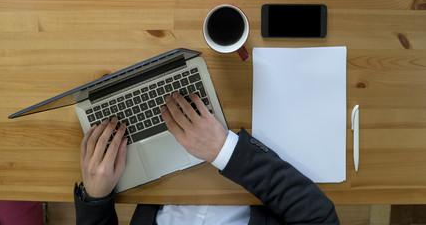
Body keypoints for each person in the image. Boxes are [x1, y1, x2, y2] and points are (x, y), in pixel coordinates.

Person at [74, 92, 340, 224]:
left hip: (160, 178)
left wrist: (95, 198)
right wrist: (225, 150)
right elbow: (320, 219)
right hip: (249, 154)